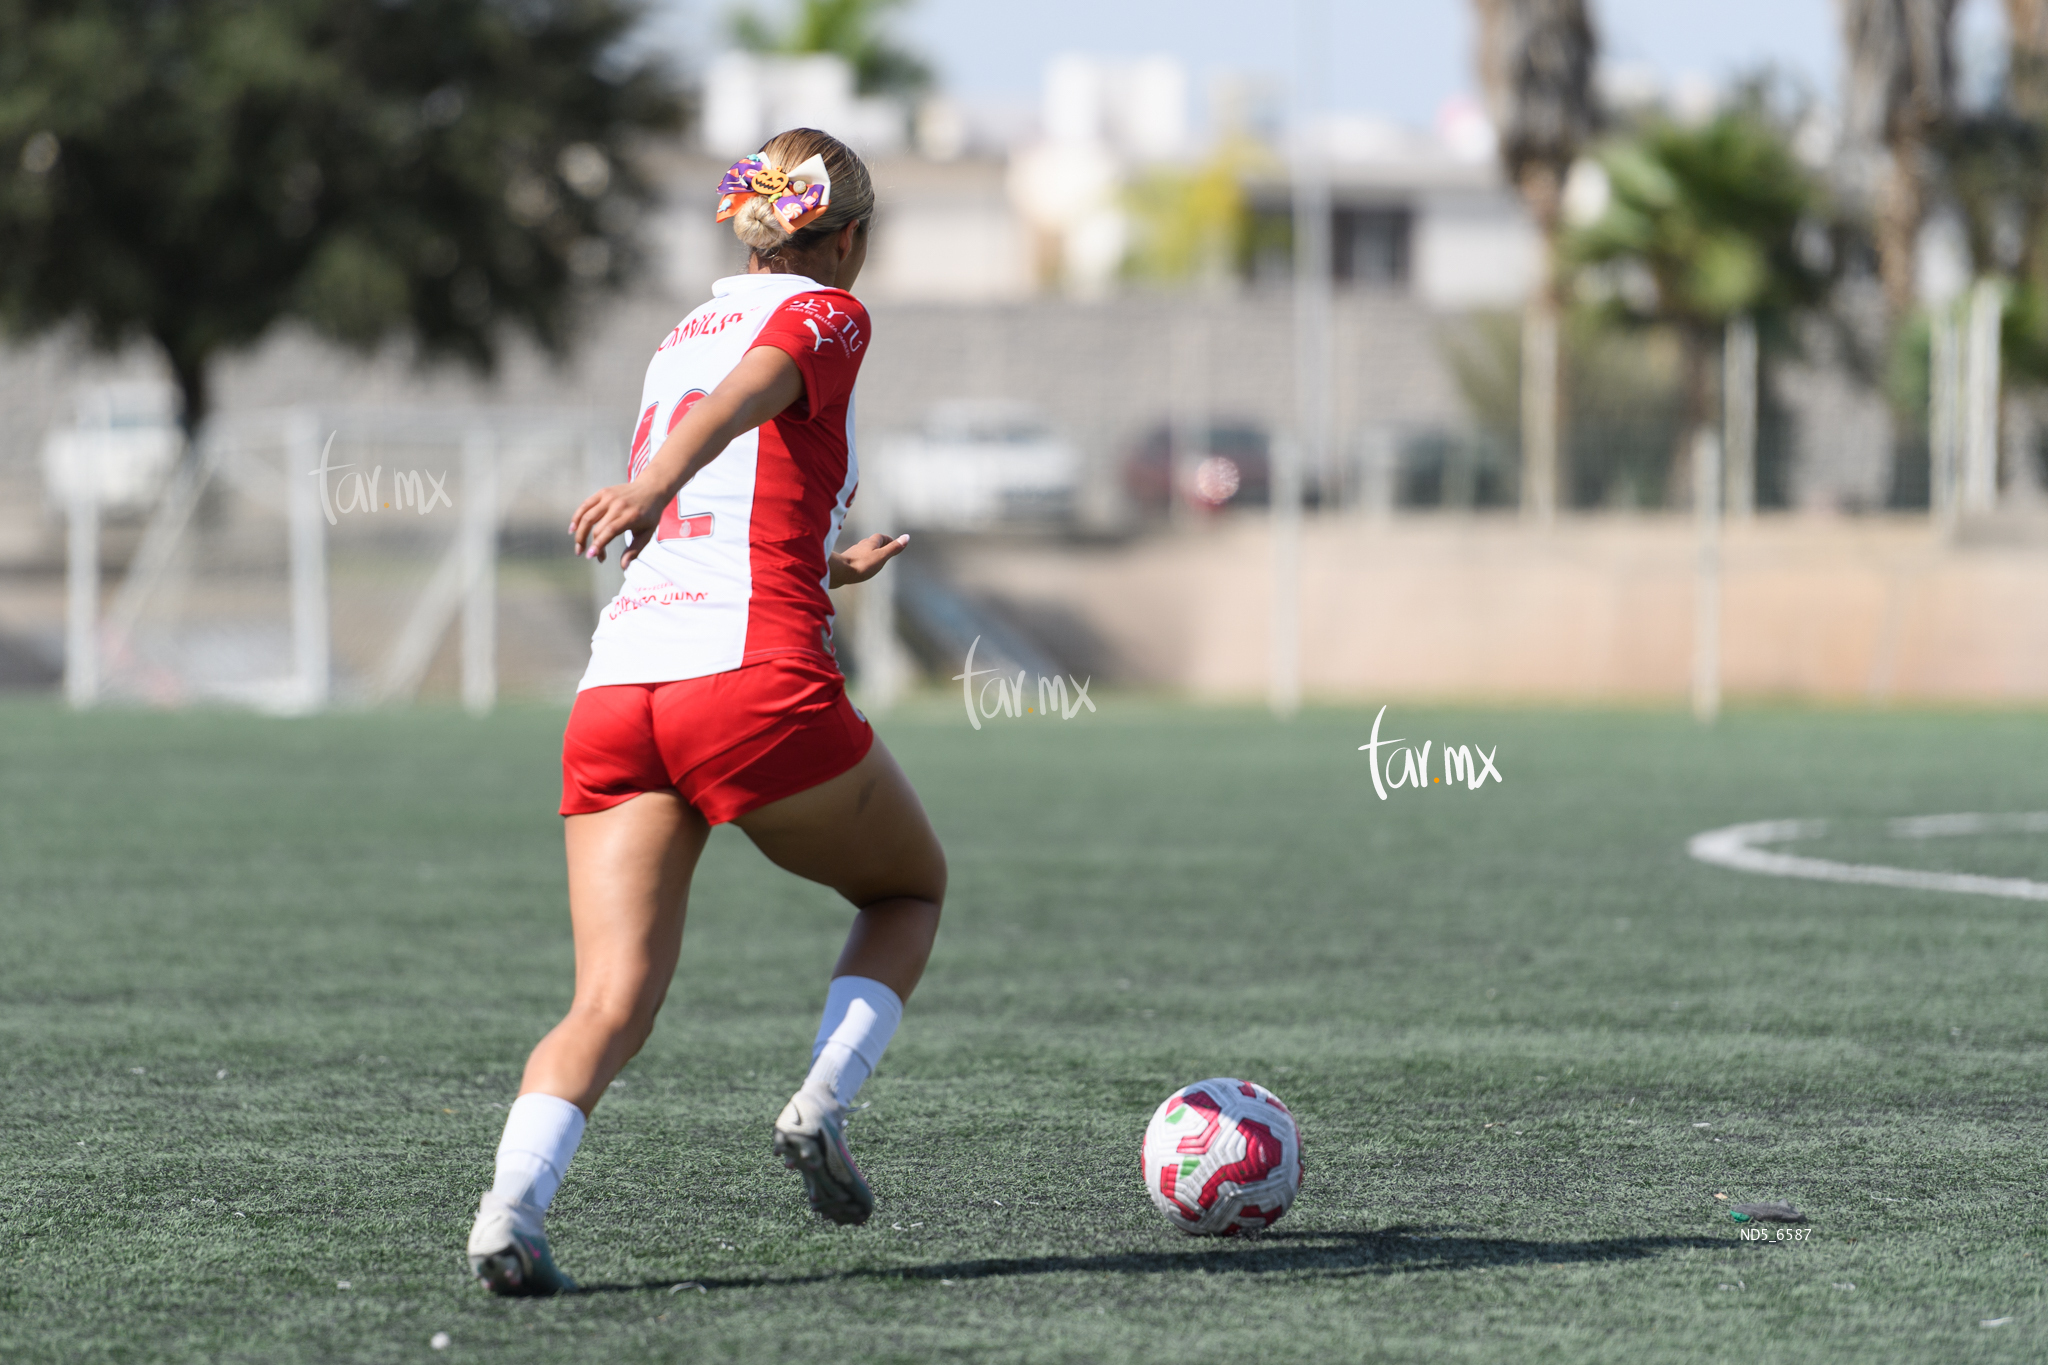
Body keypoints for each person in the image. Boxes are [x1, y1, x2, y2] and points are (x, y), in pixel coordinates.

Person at [464, 127, 946, 1296]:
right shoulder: (827, 311)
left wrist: (826, 565)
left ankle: (506, 1216)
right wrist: (652, 480)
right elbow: (751, 396)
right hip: (749, 689)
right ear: (851, 240)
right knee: (905, 887)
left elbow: (720, 511)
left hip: (619, 694)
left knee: (608, 1000)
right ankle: (820, 1108)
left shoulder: (676, 336)